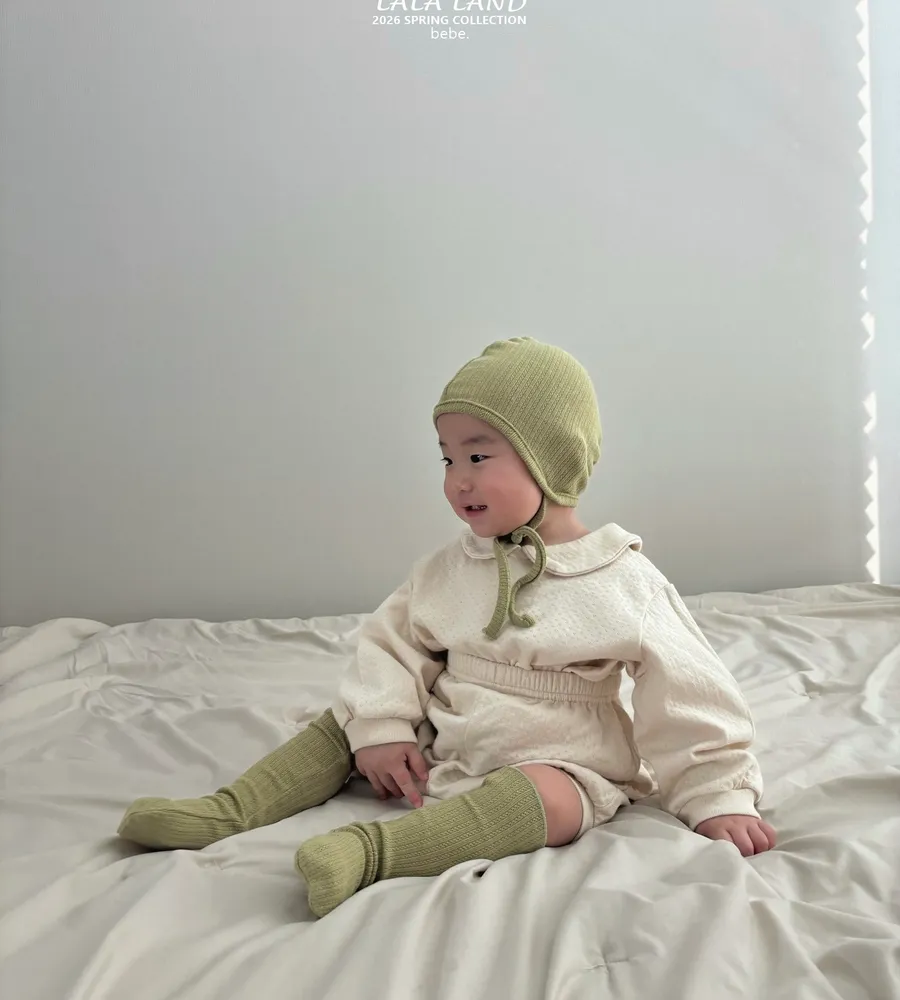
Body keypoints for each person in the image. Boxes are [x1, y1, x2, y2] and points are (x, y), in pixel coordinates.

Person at [117, 337, 776, 917]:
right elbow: (392, 644)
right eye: (447, 460)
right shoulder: (452, 566)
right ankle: (231, 809)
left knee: (553, 802)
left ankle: (368, 853)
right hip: (447, 729)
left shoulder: (621, 580)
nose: (457, 481)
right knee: (349, 718)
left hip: (562, 753)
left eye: (478, 457)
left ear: (550, 456)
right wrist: (382, 729)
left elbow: (691, 692)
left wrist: (718, 794)